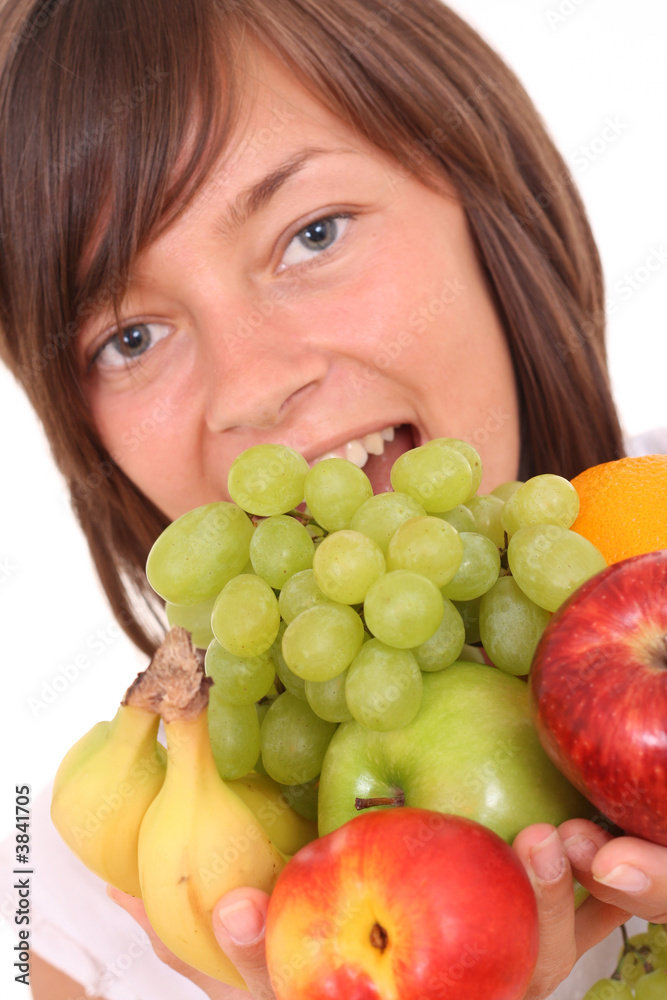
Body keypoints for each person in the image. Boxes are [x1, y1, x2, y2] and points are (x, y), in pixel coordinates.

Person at [0, 1, 665, 998]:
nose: (251, 388)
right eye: (129, 338)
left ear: (486, 198)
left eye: (312, 233)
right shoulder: (80, 901)